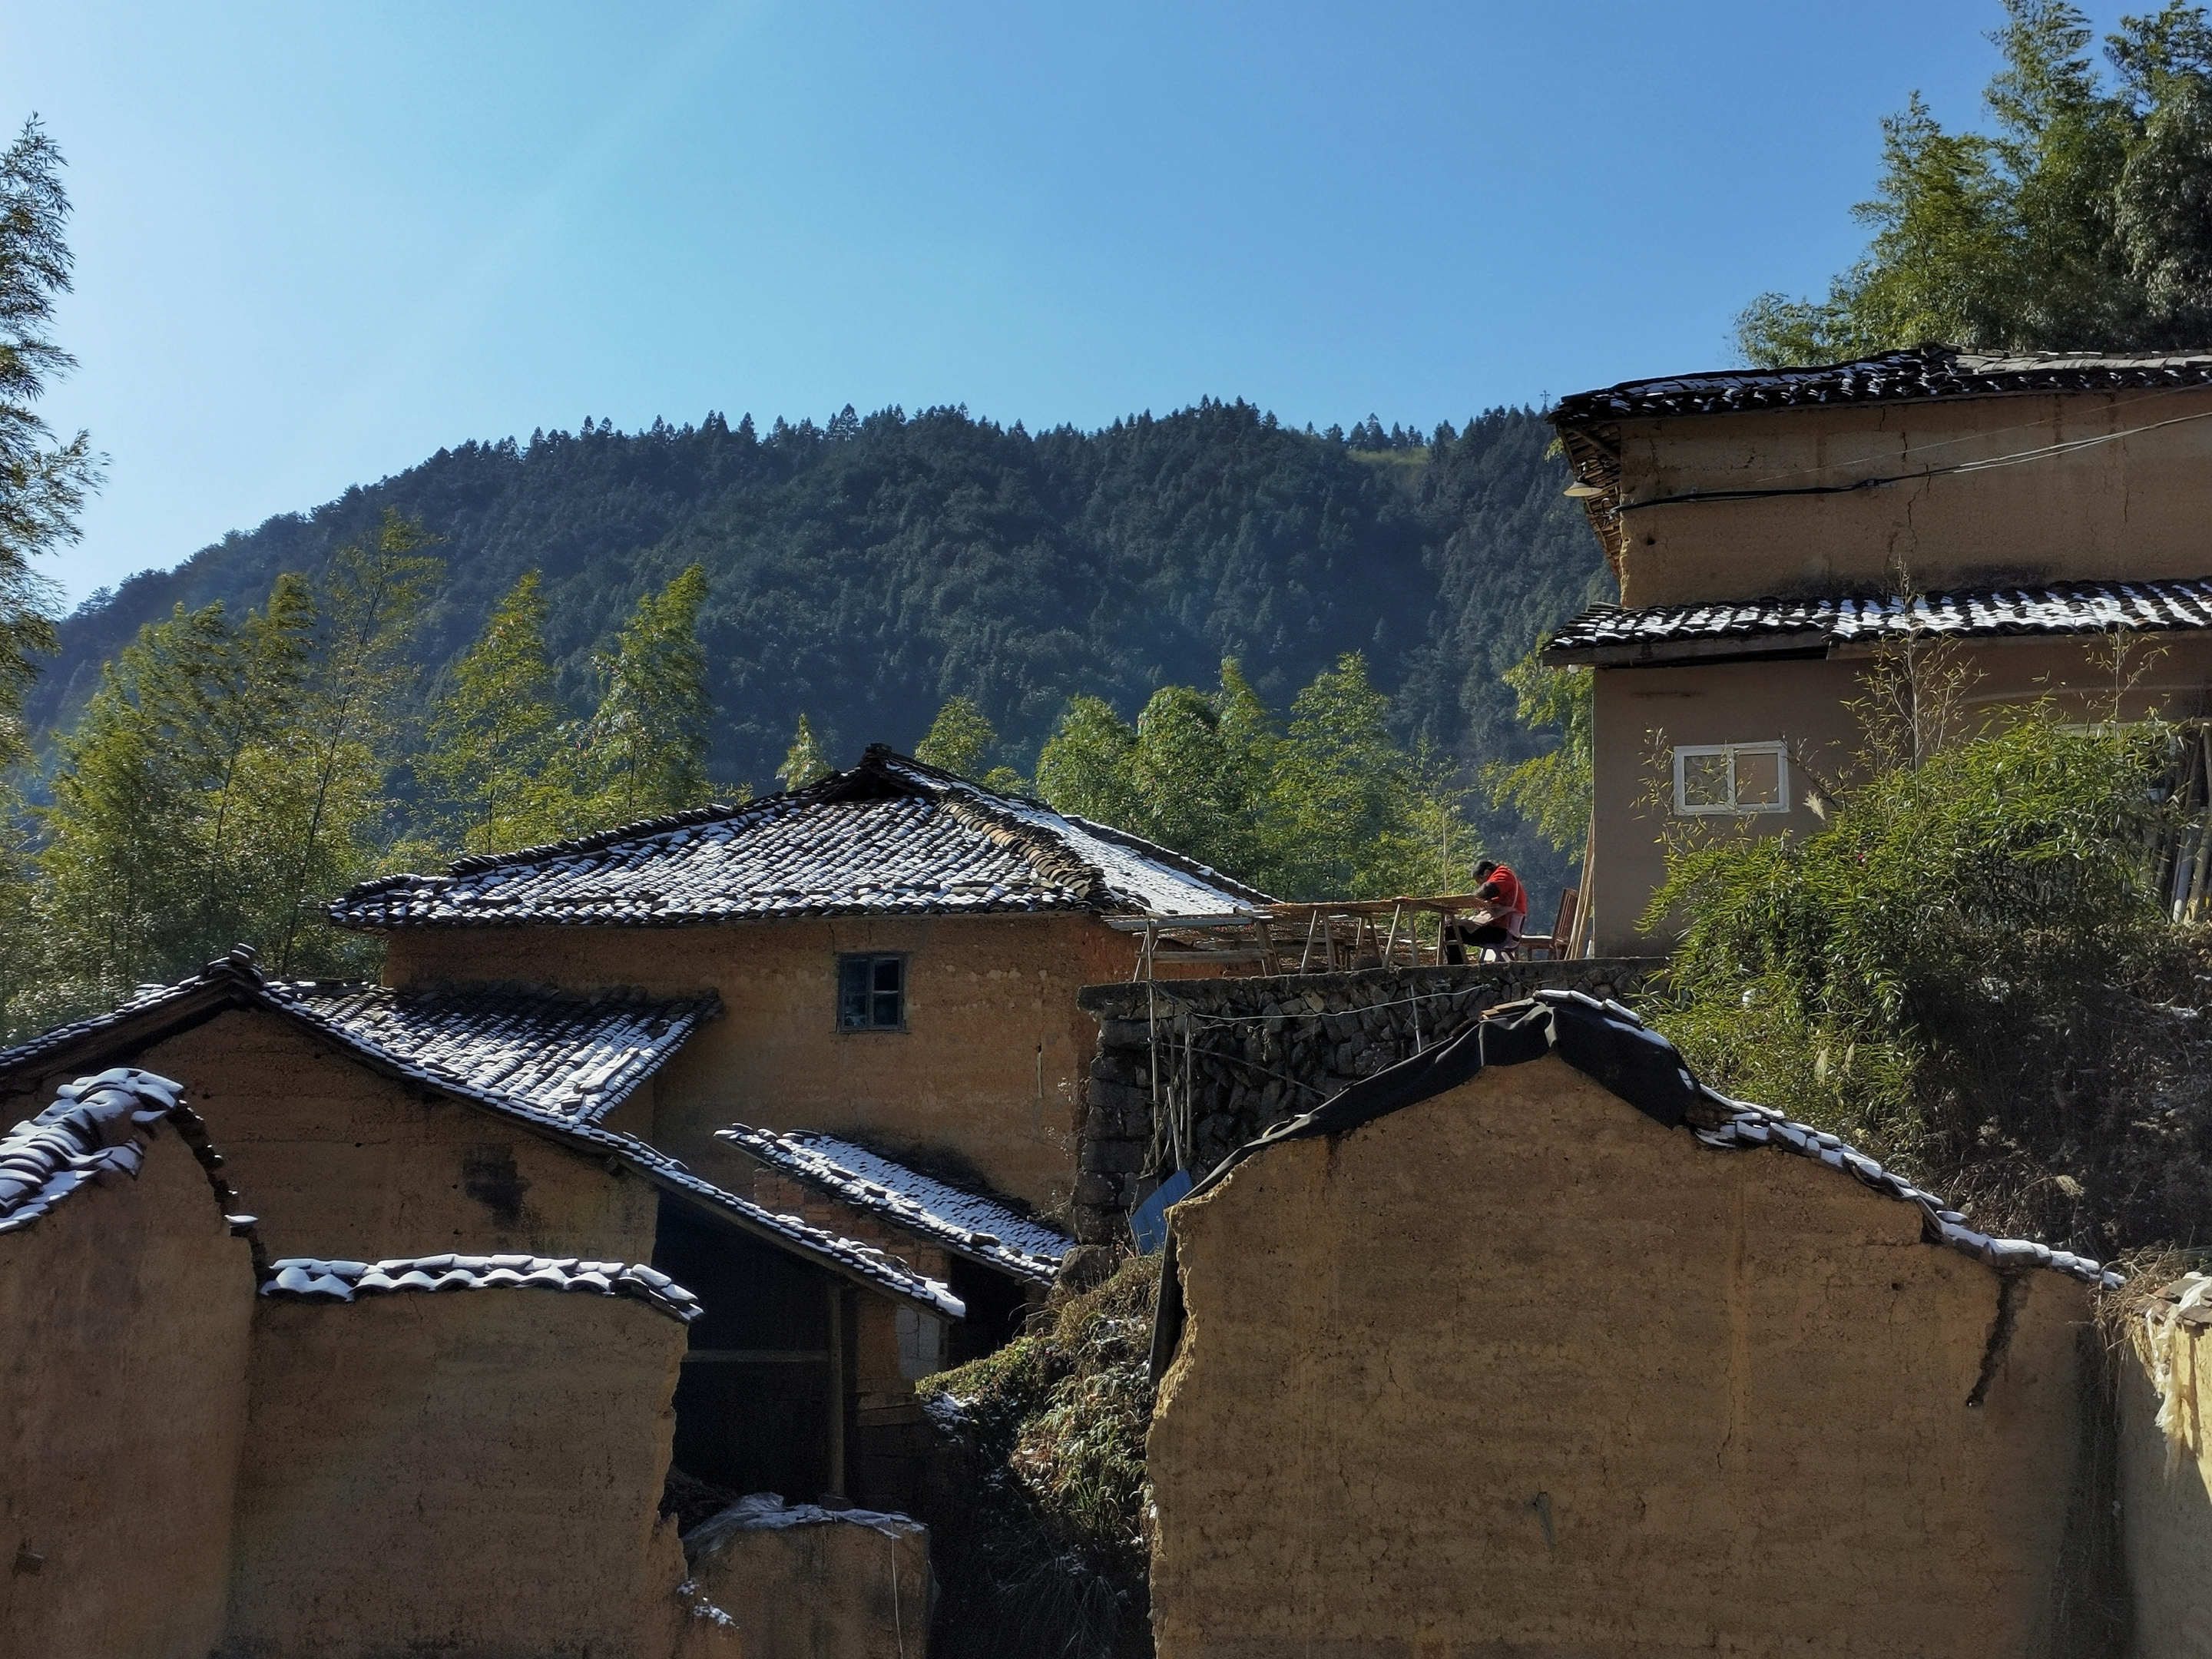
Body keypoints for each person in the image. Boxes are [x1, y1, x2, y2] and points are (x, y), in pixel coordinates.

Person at [1448, 859, 1527, 961]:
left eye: (1480, 882)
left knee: (1451, 928)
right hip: (1498, 929)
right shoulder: (1507, 879)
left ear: (1487, 872)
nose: (1480, 886)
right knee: (1450, 925)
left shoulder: (1504, 873)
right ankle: (1456, 966)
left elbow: (1489, 889)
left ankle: (1456, 969)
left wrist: (1472, 900)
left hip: (1501, 933)